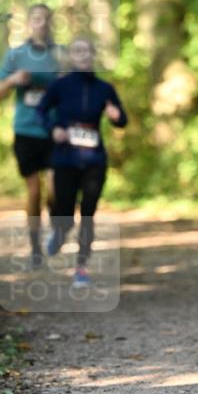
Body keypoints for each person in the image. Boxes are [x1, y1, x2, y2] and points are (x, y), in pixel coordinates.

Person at [37, 37, 128, 288]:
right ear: (71, 57)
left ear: (93, 55)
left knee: (88, 212)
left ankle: (81, 267)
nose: (83, 55)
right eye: (78, 51)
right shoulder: (60, 86)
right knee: (64, 211)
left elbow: (122, 120)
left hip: (94, 160)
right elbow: (41, 111)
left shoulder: (104, 88)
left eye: (87, 50)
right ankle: (59, 232)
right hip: (65, 158)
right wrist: (53, 128)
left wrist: (116, 116)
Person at [0, 3, 60, 268]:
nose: (41, 24)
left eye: (45, 19)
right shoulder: (15, 55)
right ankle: (35, 247)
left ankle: (56, 229)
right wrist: (12, 81)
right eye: (36, 19)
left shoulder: (61, 55)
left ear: (51, 24)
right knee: (33, 191)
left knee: (56, 190)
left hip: (55, 131)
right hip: (25, 131)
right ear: (29, 24)